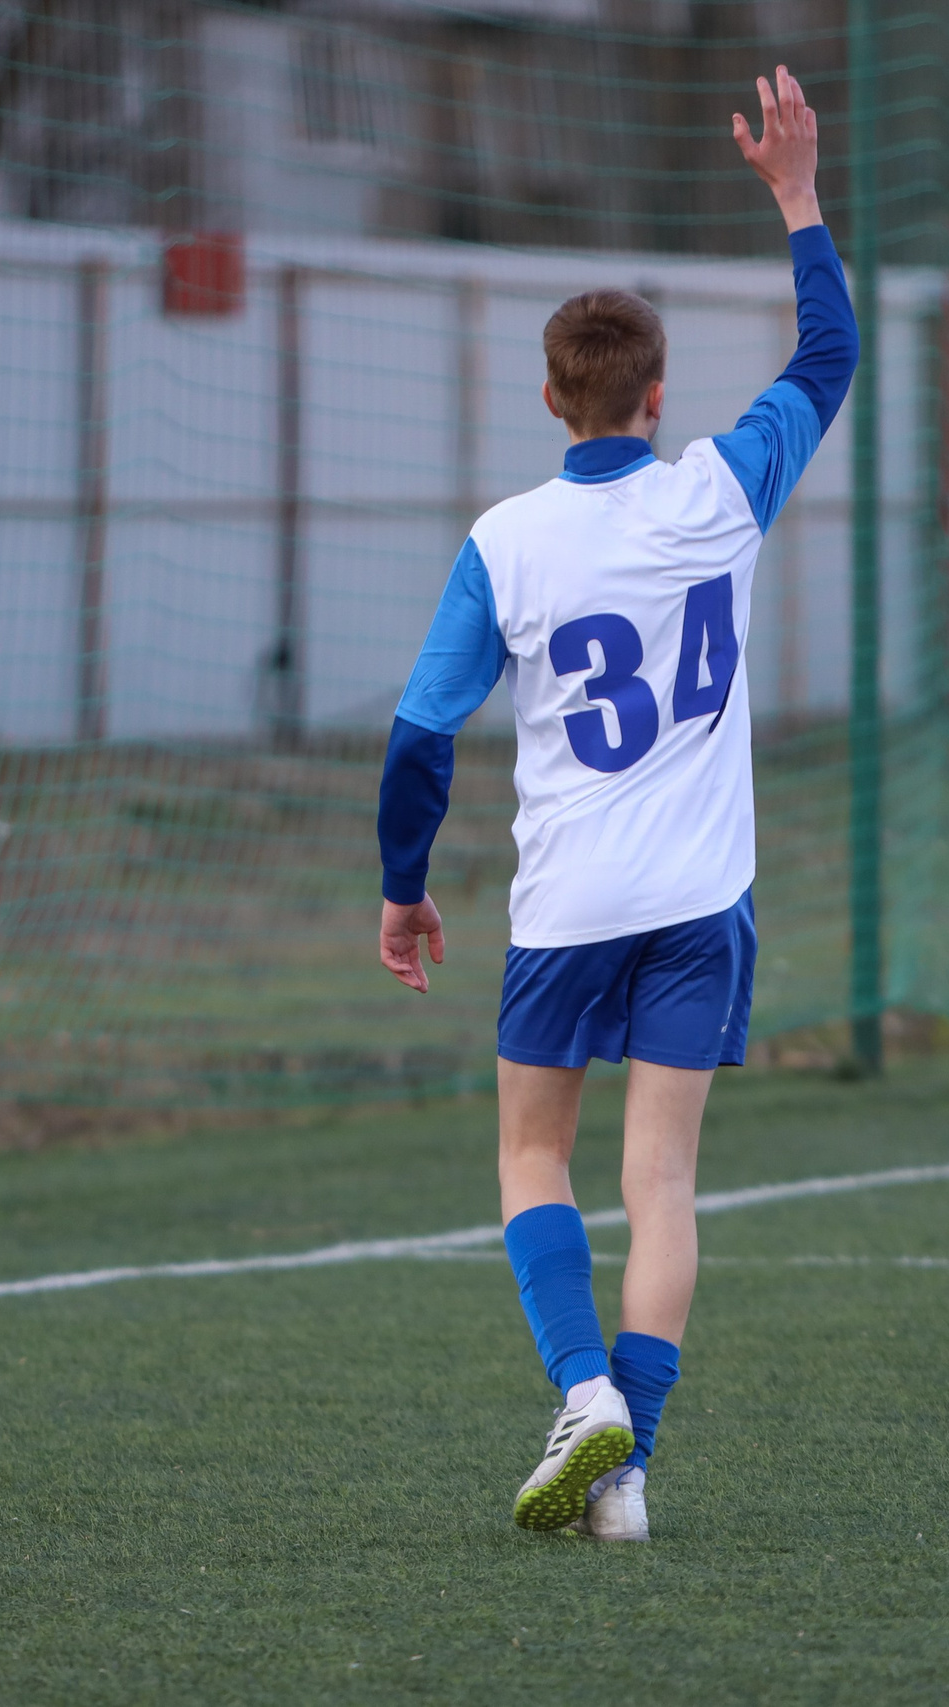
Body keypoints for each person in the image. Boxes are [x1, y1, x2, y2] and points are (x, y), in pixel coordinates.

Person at [374, 68, 854, 1540]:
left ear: (546, 399)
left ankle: (584, 1395)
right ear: (654, 400)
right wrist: (796, 195)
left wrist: (403, 884)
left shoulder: (505, 543)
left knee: (533, 1157)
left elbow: (419, 733)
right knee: (663, 1185)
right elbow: (828, 357)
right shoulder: (719, 488)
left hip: (566, 906)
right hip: (700, 908)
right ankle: (626, 1466)